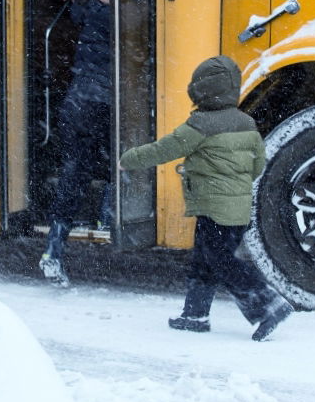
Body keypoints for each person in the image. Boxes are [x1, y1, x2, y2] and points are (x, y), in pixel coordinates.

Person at [118, 55, 293, 341]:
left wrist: (129, 159)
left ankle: (268, 303)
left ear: (200, 89)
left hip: (213, 207)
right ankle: (195, 314)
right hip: (237, 208)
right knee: (205, 259)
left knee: (220, 260)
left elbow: (165, 149)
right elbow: (258, 165)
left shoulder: (201, 123)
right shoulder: (247, 122)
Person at [39, 0, 113, 288]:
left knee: (75, 172)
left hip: (79, 103)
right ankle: (107, 217)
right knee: (114, 163)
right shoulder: (109, 17)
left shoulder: (84, 12)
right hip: (95, 105)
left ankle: (54, 248)